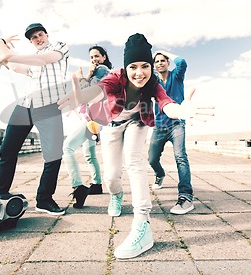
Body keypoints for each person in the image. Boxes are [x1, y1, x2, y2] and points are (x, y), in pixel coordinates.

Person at [58, 33, 207, 259]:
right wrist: (81, 96)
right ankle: (116, 195)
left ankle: (142, 224)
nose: (139, 73)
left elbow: (166, 104)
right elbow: (99, 89)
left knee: (134, 162)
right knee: (111, 176)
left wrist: (181, 111)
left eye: (145, 66)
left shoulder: (153, 83)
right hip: (113, 124)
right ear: (126, 67)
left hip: (138, 122)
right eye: (133, 67)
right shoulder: (115, 78)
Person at [0, 22, 69, 216]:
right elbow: (15, 67)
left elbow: (44, 60)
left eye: (41, 35)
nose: (38, 39)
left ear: (47, 34)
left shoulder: (59, 47)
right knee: (8, 150)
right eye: (34, 38)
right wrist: (2, 44)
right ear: (31, 42)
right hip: (25, 106)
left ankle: (44, 199)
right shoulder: (31, 59)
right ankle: (0, 192)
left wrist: (8, 54)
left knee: (52, 155)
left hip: (48, 106)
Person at [63, 45, 113, 208]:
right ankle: (96, 184)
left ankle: (78, 187)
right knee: (89, 153)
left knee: (68, 148)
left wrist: (86, 77)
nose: (94, 60)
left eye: (97, 56)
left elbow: (92, 92)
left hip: (94, 117)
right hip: (92, 117)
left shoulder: (102, 69)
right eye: (91, 57)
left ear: (104, 57)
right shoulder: (100, 71)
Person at [148, 50, 194, 215]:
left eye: (162, 60)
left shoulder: (176, 76)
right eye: (157, 61)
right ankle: (159, 175)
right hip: (159, 126)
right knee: (152, 159)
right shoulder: (154, 82)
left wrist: (163, 51)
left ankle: (186, 196)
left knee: (180, 157)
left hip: (177, 124)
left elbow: (182, 62)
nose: (160, 63)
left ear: (167, 63)